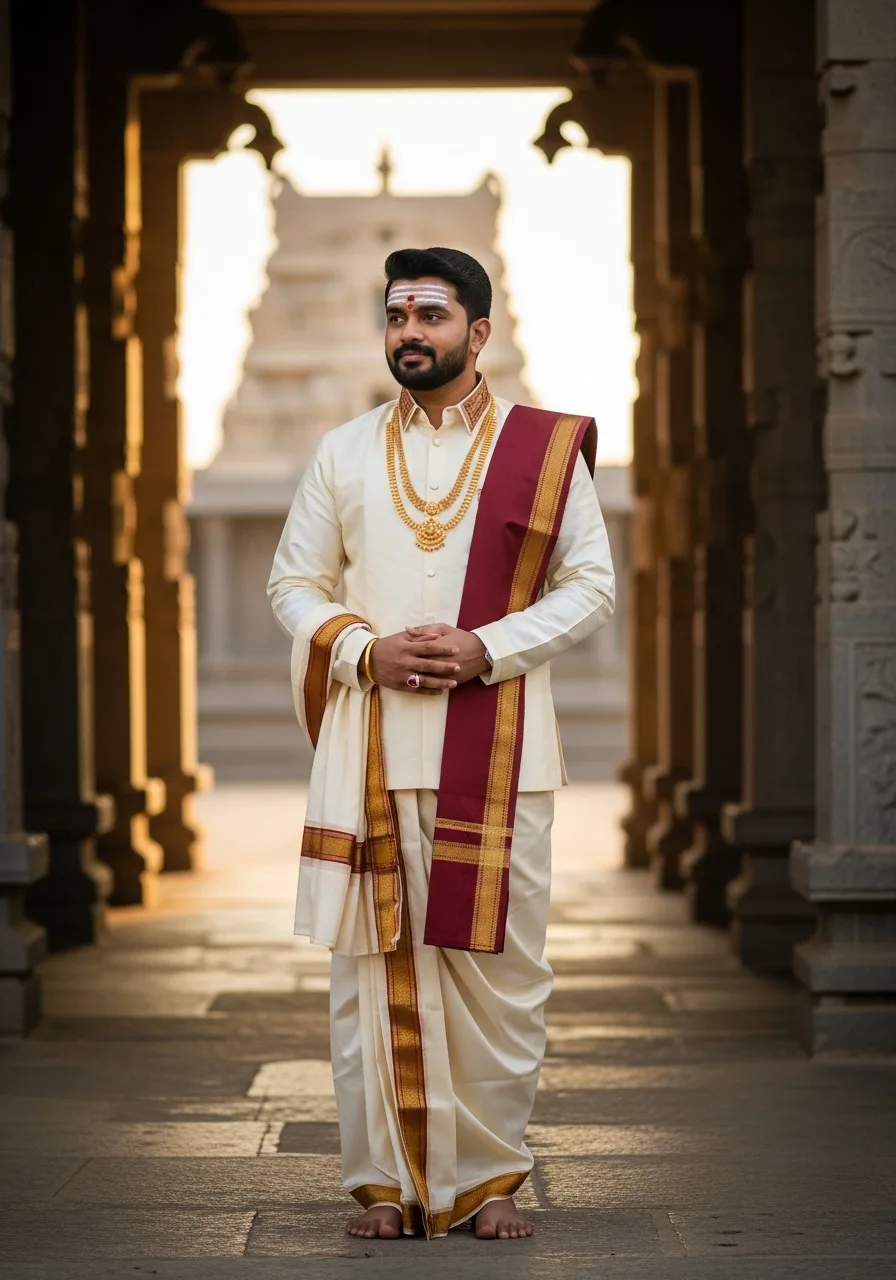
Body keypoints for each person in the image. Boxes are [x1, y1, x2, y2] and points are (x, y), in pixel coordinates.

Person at [268, 246, 615, 1242]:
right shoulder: (340, 450)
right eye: (396, 315)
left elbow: (589, 586)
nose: (409, 331)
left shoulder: (541, 451)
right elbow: (293, 584)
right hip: (369, 749)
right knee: (366, 969)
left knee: (500, 974)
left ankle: (488, 1178)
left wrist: (484, 648)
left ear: (479, 331)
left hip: (502, 754)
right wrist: (364, 649)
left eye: (431, 313)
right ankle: (382, 1182)